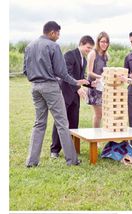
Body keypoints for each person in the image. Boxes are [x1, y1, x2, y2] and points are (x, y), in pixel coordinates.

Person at [23, 21, 90, 167]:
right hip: (50, 87)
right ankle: (72, 160)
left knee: (39, 124)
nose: (59, 37)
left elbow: (25, 70)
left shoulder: (29, 46)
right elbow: (62, 72)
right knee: (62, 123)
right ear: (52, 32)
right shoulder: (53, 46)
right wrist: (76, 82)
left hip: (35, 87)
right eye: (58, 34)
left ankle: (31, 161)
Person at [50, 35, 95, 158]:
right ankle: (54, 150)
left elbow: (80, 78)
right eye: (88, 47)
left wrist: (91, 84)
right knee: (60, 122)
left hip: (75, 97)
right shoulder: (69, 55)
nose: (89, 51)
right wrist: (78, 87)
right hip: (64, 94)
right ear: (81, 43)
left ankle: (72, 149)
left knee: (74, 123)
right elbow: (67, 74)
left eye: (91, 49)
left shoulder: (84, 60)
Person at [87, 32, 110, 128]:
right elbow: (89, 72)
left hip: (101, 87)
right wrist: (100, 78)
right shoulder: (93, 53)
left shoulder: (105, 55)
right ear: (98, 42)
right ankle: (95, 138)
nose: (104, 44)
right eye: (102, 41)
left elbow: (103, 72)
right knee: (98, 114)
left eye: (106, 42)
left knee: (103, 114)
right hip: (94, 87)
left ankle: (98, 136)